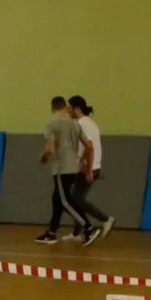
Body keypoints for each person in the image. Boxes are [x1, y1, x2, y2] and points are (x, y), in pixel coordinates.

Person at [36, 96, 87, 243]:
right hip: (73, 167)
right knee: (58, 199)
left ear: (52, 108)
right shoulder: (75, 124)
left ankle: (88, 226)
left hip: (61, 168)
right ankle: (52, 232)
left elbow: (50, 148)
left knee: (65, 201)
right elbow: (89, 145)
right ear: (64, 106)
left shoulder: (52, 123)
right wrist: (83, 161)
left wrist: (43, 157)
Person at [67, 95, 115, 245]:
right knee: (75, 198)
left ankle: (105, 219)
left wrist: (87, 169)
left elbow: (90, 147)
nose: (68, 111)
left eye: (70, 107)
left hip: (88, 168)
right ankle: (76, 233)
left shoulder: (80, 124)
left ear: (77, 108)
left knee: (75, 200)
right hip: (93, 166)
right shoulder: (91, 123)